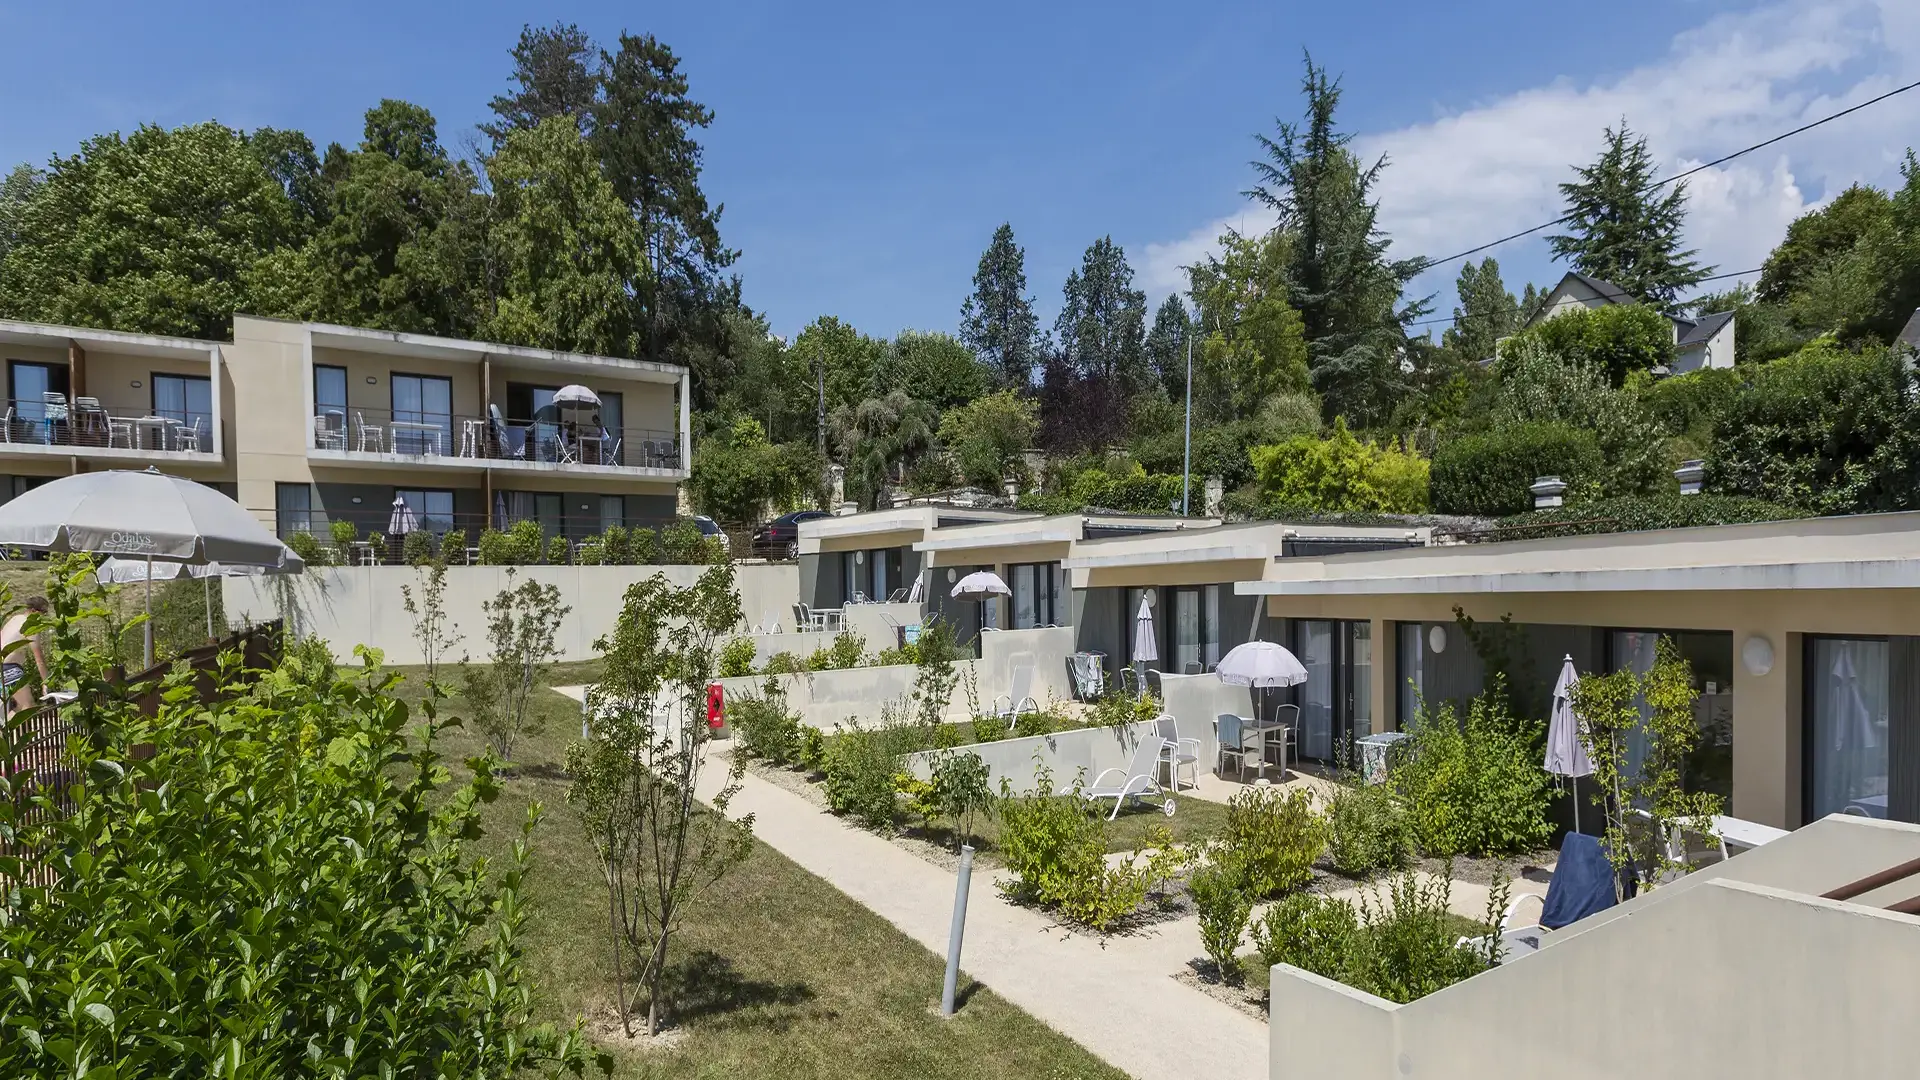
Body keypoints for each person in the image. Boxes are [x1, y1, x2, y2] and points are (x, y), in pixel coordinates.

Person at [2, 596, 50, 712]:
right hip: (9, 668)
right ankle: (14, 730)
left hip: (4, 665)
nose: (44, 616)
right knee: (27, 707)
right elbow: (39, 660)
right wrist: (46, 682)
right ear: (33, 611)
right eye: (43, 612)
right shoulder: (31, 626)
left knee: (19, 707)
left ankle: (9, 729)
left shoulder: (16, 618)